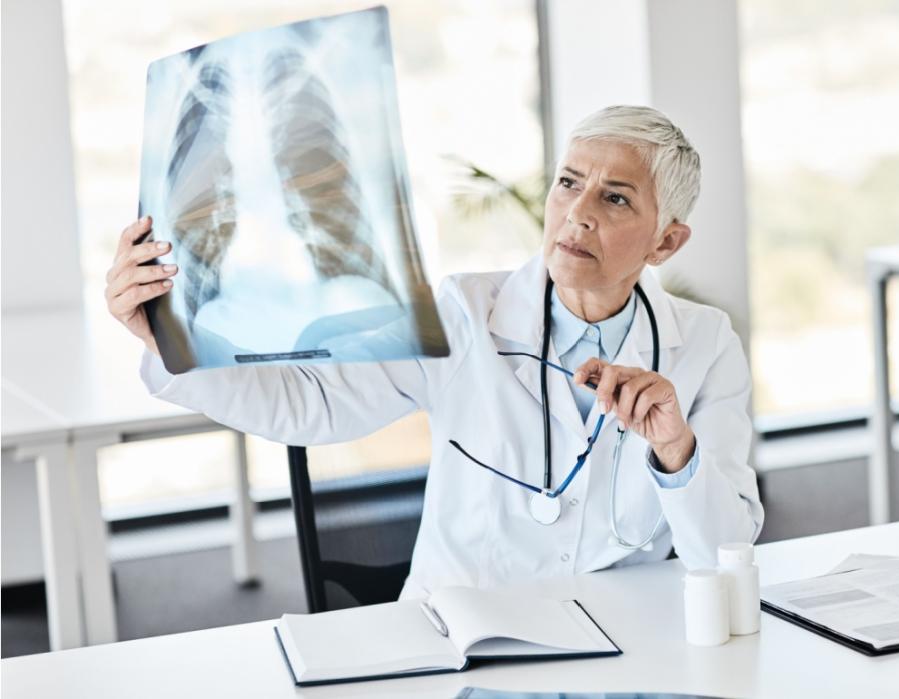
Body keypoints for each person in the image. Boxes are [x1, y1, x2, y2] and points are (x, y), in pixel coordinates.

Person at [106, 105, 764, 600]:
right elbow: (308, 403)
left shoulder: (704, 345)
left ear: (666, 243)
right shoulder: (463, 313)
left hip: (629, 637)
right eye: (568, 182)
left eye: (615, 197)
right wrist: (163, 339)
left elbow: (726, 550)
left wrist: (677, 450)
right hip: (469, 632)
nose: (577, 212)